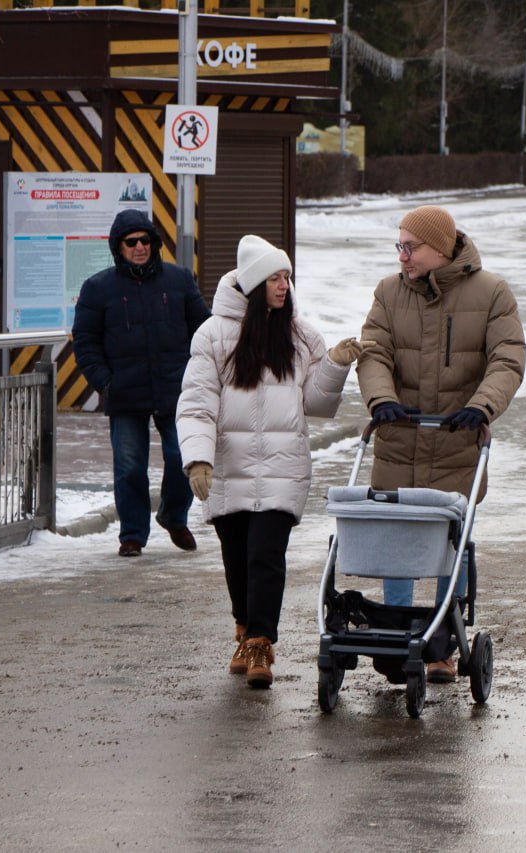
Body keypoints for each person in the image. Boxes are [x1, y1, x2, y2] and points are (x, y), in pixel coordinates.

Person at [176, 235, 363, 689]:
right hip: (229, 468)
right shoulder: (214, 335)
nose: (284, 286)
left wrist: (334, 365)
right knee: (236, 556)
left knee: (266, 554)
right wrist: (197, 459)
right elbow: (197, 403)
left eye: (287, 277)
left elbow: (316, 403)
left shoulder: (300, 334)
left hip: (282, 468)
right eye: (276, 278)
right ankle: (243, 628)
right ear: (256, 283)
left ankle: (261, 641)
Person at [357, 205, 526, 683]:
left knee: (452, 543)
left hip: (456, 440)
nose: (402, 255)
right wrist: (381, 400)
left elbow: (507, 358)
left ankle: (442, 646)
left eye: (410, 247)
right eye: (399, 245)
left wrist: (483, 406)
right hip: (400, 437)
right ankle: (395, 641)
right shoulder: (389, 293)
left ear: (439, 247)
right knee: (394, 542)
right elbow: (373, 353)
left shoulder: (491, 292)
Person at [72, 209, 211, 558]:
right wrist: (105, 383)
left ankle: (173, 515)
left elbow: (205, 330)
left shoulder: (178, 280)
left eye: (145, 240)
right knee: (130, 467)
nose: (139, 247)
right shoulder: (97, 288)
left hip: (176, 390)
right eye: (131, 242)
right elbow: (85, 343)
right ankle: (132, 534)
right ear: (118, 247)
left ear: (154, 243)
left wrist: (201, 375)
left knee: (185, 457)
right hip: (126, 393)